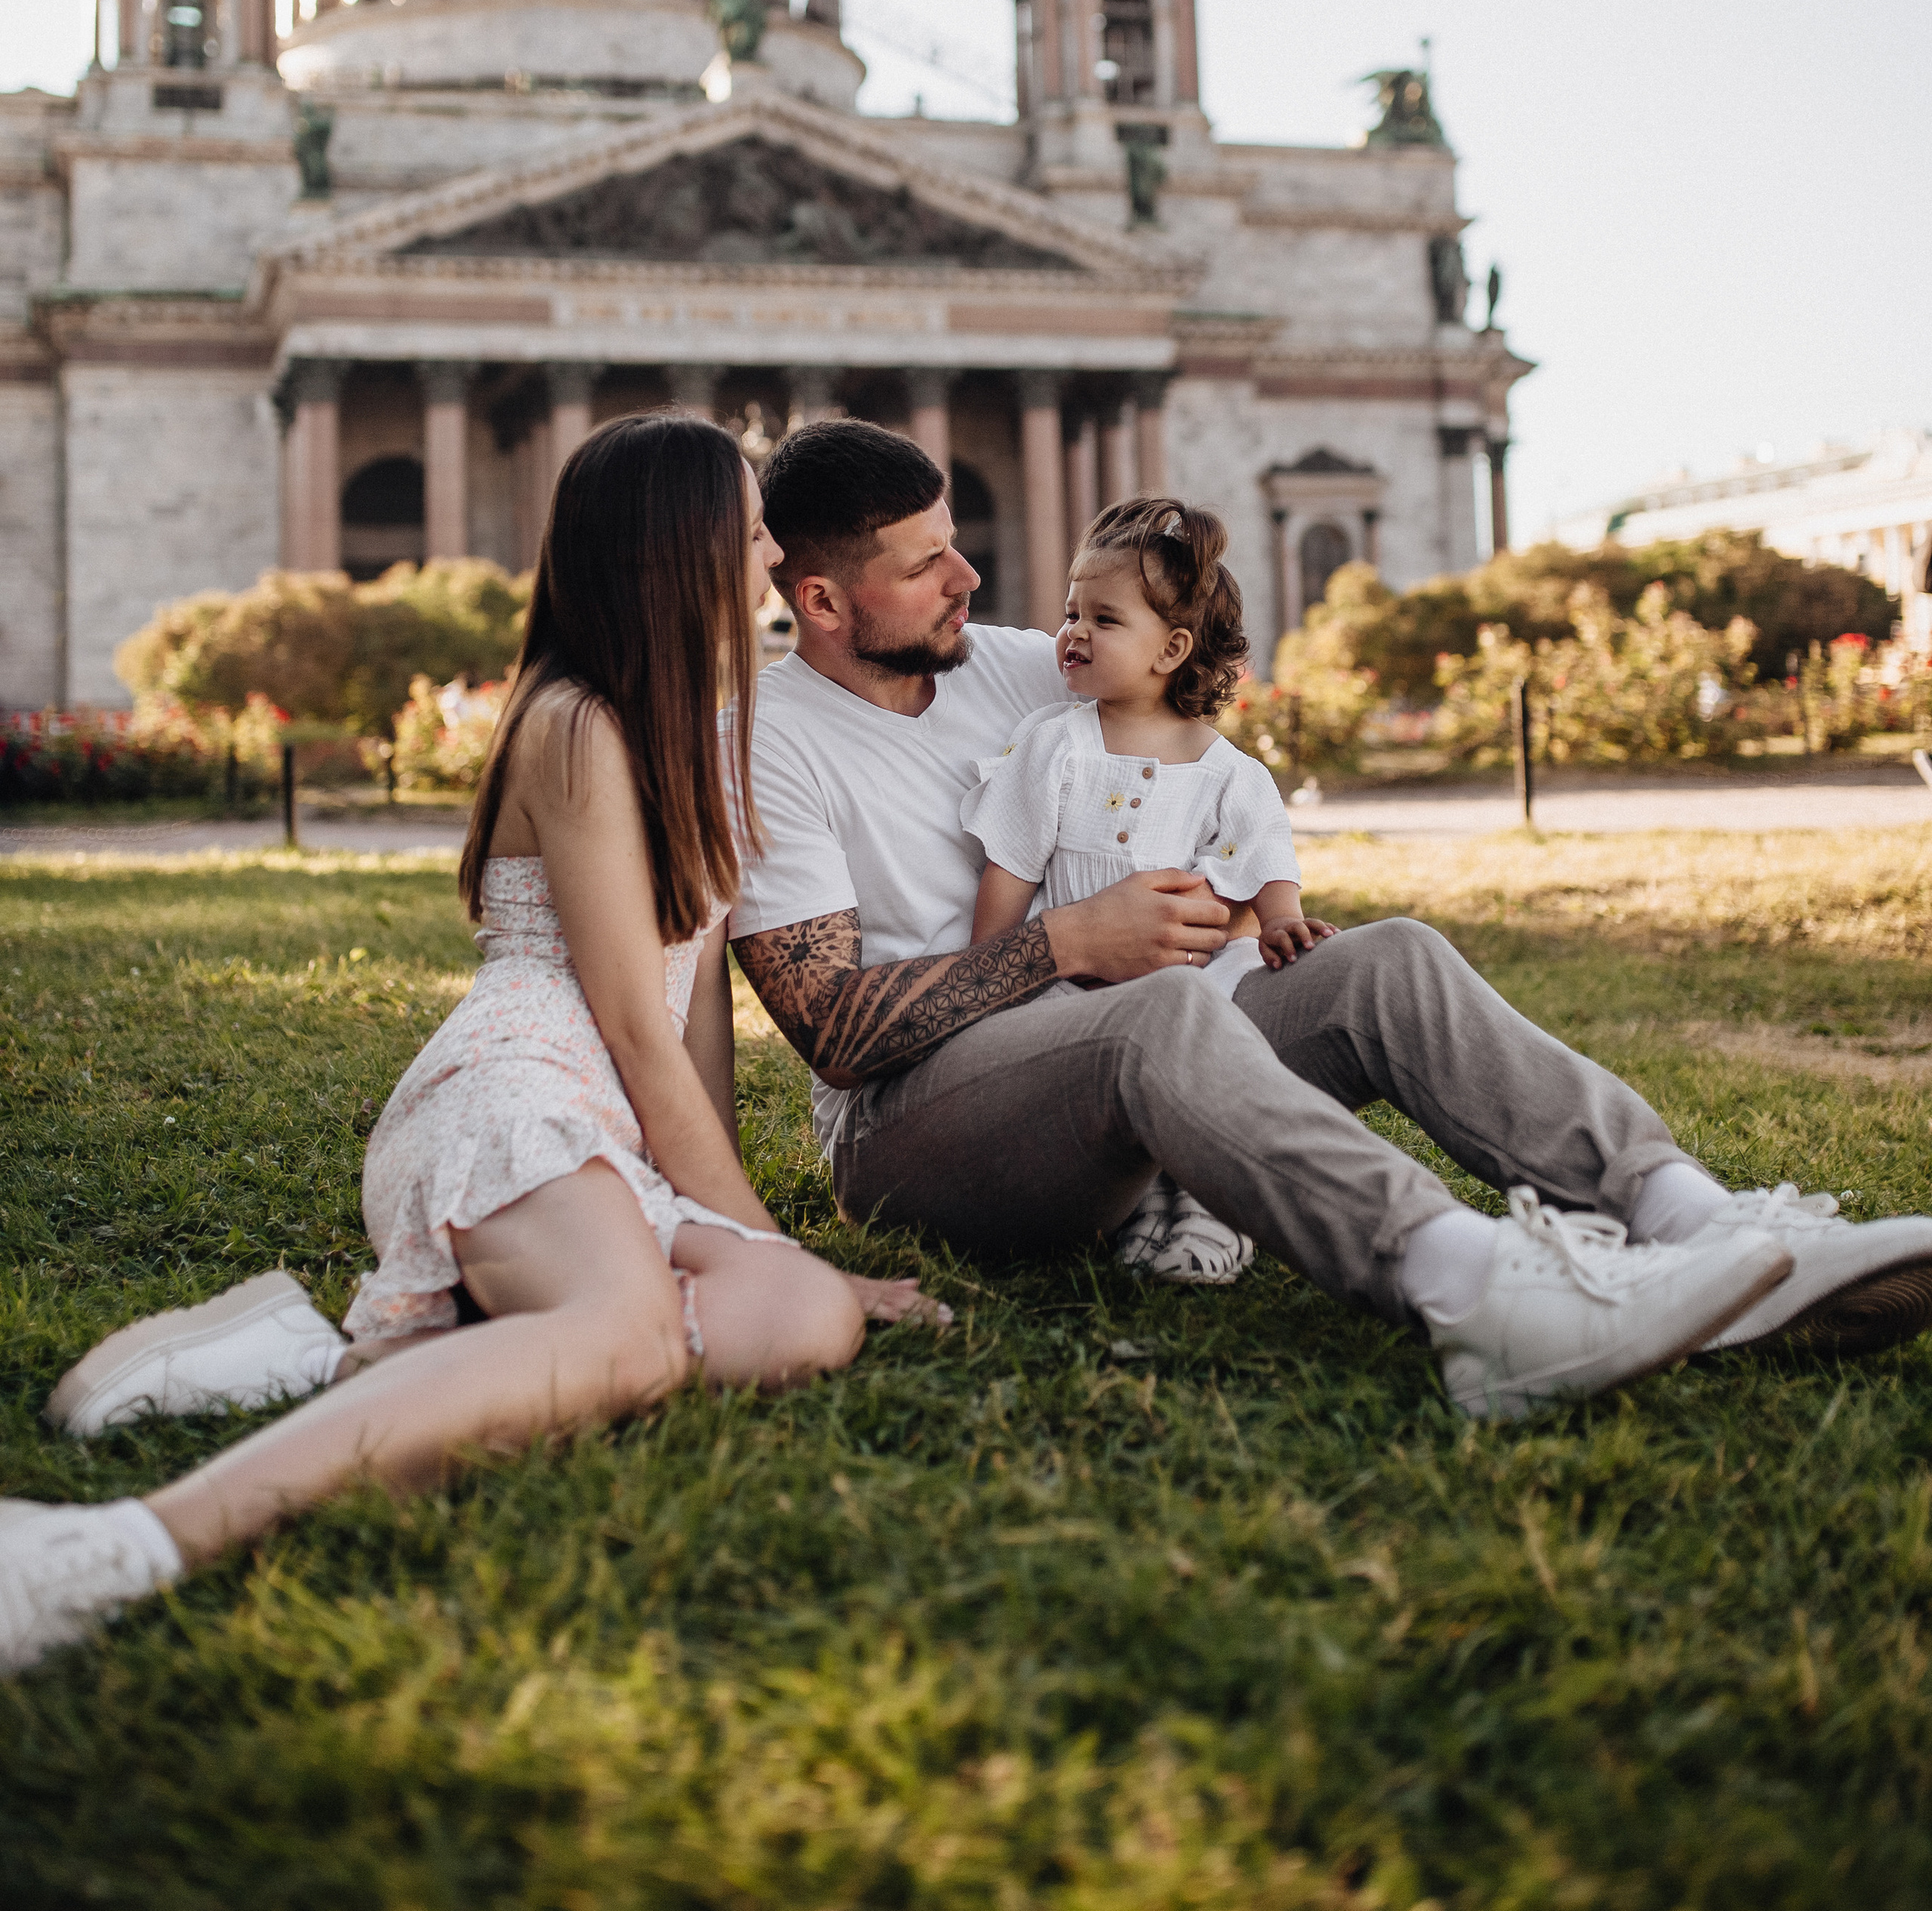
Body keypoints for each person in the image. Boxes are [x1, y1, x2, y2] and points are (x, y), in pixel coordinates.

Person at [728, 420, 1932, 1420]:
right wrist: (1068, 941)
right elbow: (836, 1034)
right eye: (925, 564)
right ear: (822, 598)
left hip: (1117, 1051)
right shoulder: (767, 744)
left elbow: (1185, 706)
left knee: (1386, 960)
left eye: (955, 542)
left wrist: (1244, 901)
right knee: (1154, 1014)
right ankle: (1481, 1294)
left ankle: (1704, 1226)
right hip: (916, 1135)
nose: (968, 577)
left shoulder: (1010, 664)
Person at [3, 414, 932, 1676]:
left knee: (800, 1317)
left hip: (605, 1123)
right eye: (751, 528)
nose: (773, 553)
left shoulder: (687, 733)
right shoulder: (576, 723)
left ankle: (347, 1358)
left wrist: (762, 1242)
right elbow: (630, 1025)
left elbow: (692, 1017)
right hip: (515, 1090)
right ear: (678, 545)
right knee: (631, 1336)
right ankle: (118, 1546)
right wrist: (744, 1226)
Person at [964, 494, 1321, 1285]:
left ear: (1172, 650)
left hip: (1193, 979)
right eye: (1071, 613)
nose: (1074, 632)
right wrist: (991, 970)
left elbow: (1265, 852)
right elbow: (1012, 866)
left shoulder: (1227, 771)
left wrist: (1282, 919)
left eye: (1104, 619)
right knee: (1103, 1080)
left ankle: (1207, 1202)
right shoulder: (1055, 747)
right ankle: (1138, 1204)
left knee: (1224, 1024)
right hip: (1074, 985)